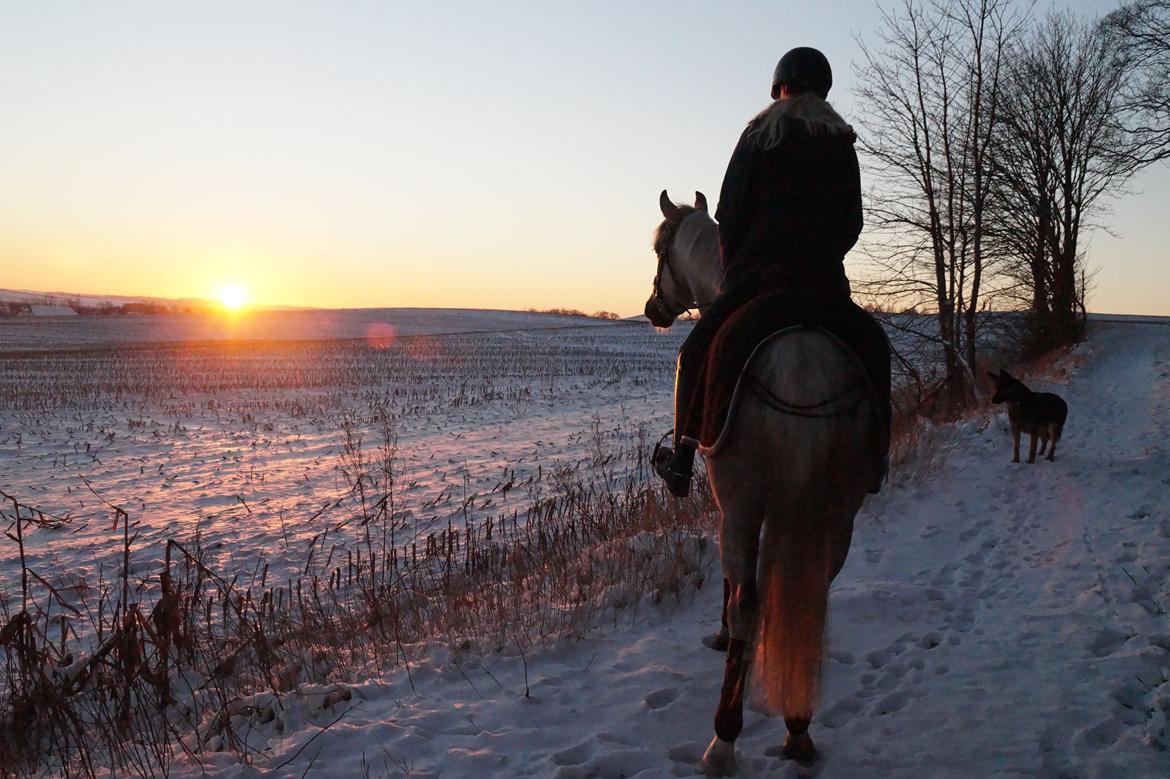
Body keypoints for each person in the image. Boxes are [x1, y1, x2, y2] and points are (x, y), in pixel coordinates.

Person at [652, 46, 891, 498]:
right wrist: (824, 259)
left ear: (779, 87)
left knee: (695, 352)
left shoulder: (759, 134)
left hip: (759, 285)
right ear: (824, 91)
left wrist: (739, 272)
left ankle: (681, 460)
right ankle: (877, 457)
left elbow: (729, 213)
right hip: (824, 287)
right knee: (874, 347)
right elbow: (852, 223)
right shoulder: (839, 140)